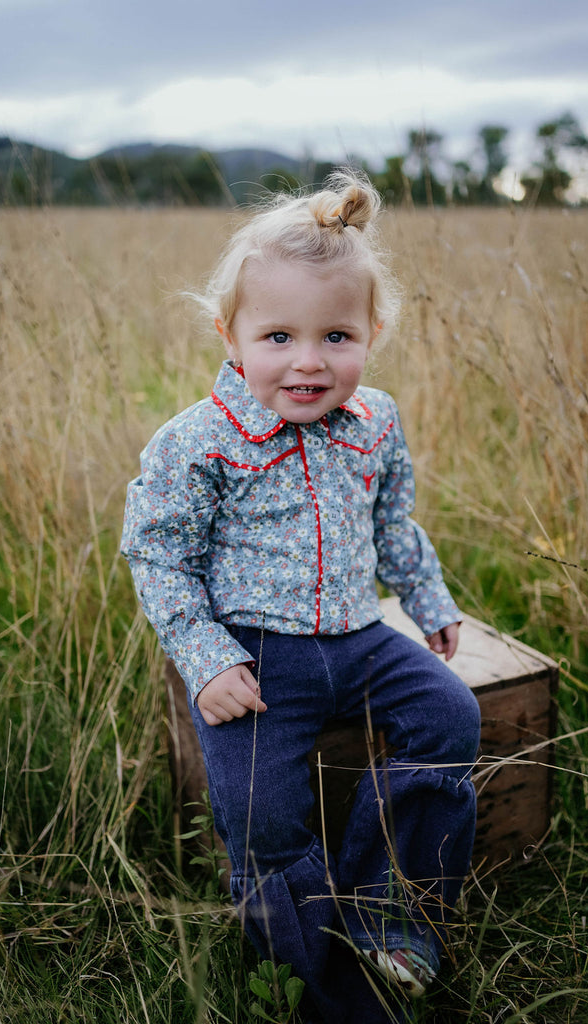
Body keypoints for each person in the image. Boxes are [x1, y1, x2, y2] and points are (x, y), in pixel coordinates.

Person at [121, 170, 480, 1023]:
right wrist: (207, 660)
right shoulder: (200, 443)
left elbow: (396, 524)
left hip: (360, 637)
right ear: (230, 334)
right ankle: (313, 969)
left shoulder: (375, 423)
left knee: (450, 715)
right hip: (257, 654)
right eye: (278, 336)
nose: (309, 361)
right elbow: (160, 557)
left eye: (336, 336)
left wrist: (427, 601)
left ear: (372, 333)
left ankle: (392, 907)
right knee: (262, 810)